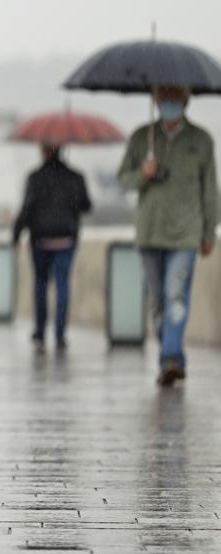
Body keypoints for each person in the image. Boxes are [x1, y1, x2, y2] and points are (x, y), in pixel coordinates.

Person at [117, 86, 217, 388]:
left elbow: (210, 189)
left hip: (185, 233)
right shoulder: (141, 138)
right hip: (150, 233)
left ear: (185, 102)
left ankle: (170, 358)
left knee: (175, 297)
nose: (169, 105)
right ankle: (171, 355)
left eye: (175, 99)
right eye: (164, 99)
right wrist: (143, 175)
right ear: (156, 101)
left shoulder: (201, 140)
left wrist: (209, 231)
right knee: (158, 303)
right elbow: (124, 179)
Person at [12, 143, 92, 351]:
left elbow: (26, 208)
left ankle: (40, 330)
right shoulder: (76, 177)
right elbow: (86, 205)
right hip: (66, 239)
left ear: (44, 151)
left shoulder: (35, 177)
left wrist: (16, 235)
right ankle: (60, 333)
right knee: (63, 284)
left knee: (40, 284)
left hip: (40, 239)